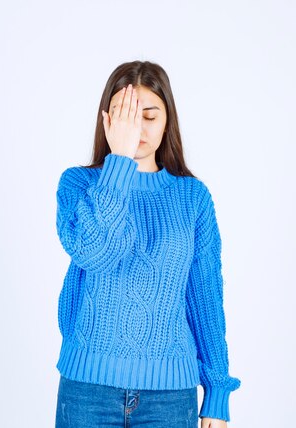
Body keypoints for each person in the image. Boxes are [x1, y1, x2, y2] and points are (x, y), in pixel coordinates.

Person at [54, 60, 240, 428]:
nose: (137, 129)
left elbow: (205, 298)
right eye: (127, 118)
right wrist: (119, 161)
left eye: (149, 116)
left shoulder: (192, 198)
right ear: (108, 121)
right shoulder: (78, 185)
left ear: (168, 119)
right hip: (88, 390)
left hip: (170, 398)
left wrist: (217, 393)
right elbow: (97, 252)